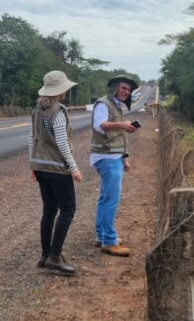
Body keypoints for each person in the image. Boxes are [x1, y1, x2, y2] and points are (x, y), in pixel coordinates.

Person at [28, 70, 83, 275]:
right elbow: (61, 141)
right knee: (68, 210)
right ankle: (54, 256)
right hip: (56, 168)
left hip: (40, 166)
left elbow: (31, 137)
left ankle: (45, 255)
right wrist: (74, 167)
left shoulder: (37, 109)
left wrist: (32, 164)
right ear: (61, 89)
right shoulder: (57, 110)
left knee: (49, 211)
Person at [90, 75, 139, 256]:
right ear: (115, 88)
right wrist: (122, 124)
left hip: (114, 157)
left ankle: (101, 235)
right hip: (106, 156)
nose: (126, 92)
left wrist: (124, 158)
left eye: (128, 90)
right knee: (111, 200)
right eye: (123, 88)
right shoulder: (104, 104)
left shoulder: (117, 106)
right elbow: (100, 125)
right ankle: (109, 241)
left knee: (105, 198)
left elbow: (119, 135)